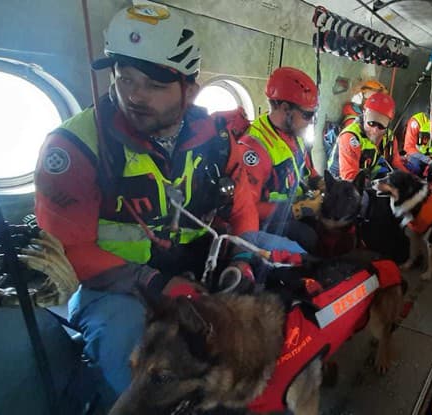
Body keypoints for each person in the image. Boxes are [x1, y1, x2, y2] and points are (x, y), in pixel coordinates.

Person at [33, 4, 302, 406]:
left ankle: (276, 380)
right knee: (130, 353)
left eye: (153, 85)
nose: (134, 95)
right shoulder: (75, 149)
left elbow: (242, 205)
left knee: (296, 258)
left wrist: (244, 260)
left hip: (198, 265)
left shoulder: (215, 136)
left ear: (189, 89)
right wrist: (157, 284)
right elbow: (69, 250)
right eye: (124, 78)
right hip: (117, 287)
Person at [231, 67, 322, 253]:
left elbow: (307, 171)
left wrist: (321, 183)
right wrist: (298, 209)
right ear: (285, 108)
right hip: (264, 222)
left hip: (291, 210)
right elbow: (248, 208)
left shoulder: (295, 136)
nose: (311, 121)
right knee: (308, 237)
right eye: (307, 115)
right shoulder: (255, 148)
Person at [328, 92, 408, 181]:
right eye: (371, 123)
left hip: (365, 176)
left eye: (381, 125)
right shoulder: (351, 137)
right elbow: (350, 177)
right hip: (341, 182)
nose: (375, 130)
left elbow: (396, 163)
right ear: (364, 114)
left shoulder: (390, 137)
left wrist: (411, 179)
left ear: (388, 123)